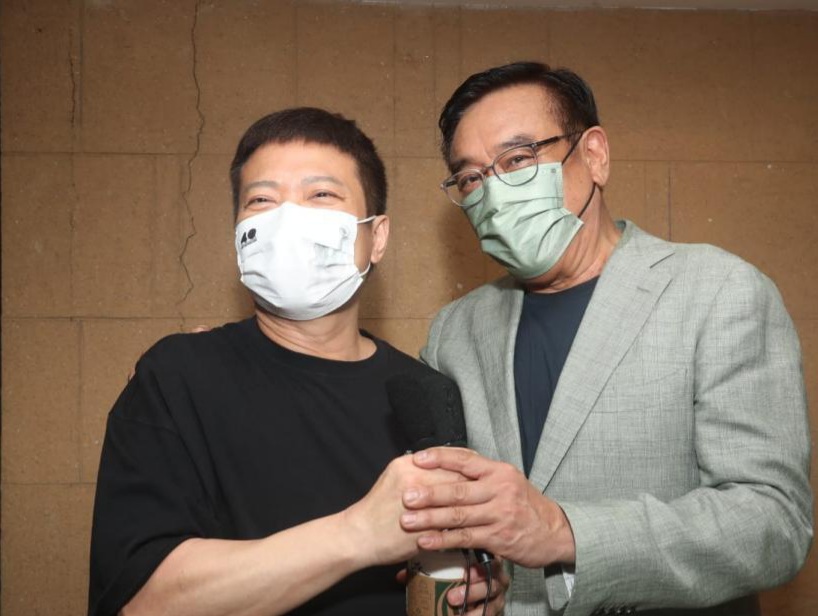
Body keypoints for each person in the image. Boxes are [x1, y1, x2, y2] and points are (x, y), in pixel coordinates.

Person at [396, 62, 813, 616]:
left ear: (593, 155)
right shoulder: (455, 331)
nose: (493, 193)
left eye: (518, 159)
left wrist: (566, 533)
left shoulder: (717, 291)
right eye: (471, 177)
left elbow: (774, 523)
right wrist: (478, 578)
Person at [87, 107, 506, 616]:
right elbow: (138, 602)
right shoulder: (177, 378)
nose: (287, 219)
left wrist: (477, 592)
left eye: (321, 195)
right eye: (261, 200)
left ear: (376, 237)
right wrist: (357, 534)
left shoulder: (424, 394)